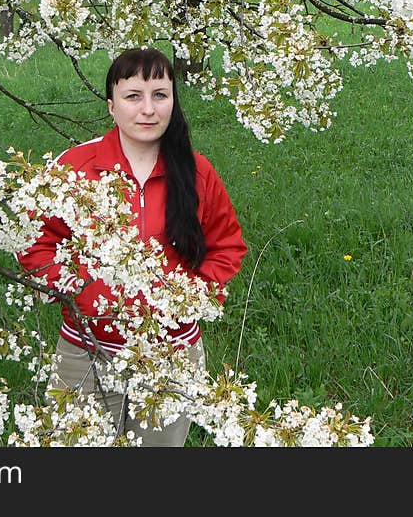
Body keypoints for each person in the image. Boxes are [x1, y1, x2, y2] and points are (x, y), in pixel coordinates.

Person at [17, 47, 247, 446]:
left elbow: (227, 247)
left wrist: (189, 298)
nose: (148, 109)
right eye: (133, 96)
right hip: (85, 350)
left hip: (171, 357)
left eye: (160, 95)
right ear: (111, 106)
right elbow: (34, 243)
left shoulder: (196, 172)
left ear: (173, 102)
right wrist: (83, 293)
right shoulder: (75, 167)